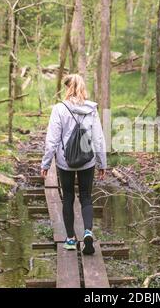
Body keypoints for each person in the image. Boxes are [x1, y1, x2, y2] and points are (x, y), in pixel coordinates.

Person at [41, 74, 107, 255]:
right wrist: (102, 163)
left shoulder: (59, 109)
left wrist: (46, 163)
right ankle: (87, 232)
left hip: (65, 162)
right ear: (82, 88)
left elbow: (52, 140)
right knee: (86, 196)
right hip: (87, 161)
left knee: (68, 197)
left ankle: (70, 239)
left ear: (67, 88)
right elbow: (98, 138)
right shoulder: (91, 109)